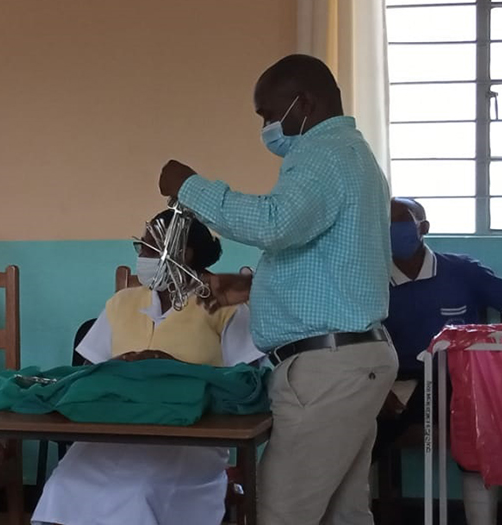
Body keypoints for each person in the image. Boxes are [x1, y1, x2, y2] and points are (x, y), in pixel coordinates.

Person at [158, 54, 397, 525]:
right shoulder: (350, 154)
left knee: (280, 513)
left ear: (303, 103)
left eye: (268, 114)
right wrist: (250, 287)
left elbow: (275, 223)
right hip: (350, 361)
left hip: (328, 370)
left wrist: (190, 188)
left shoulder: (324, 154)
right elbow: (332, 261)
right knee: (340, 515)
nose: (266, 126)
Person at [31, 209, 263, 525]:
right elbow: (90, 372)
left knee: (139, 492)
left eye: (151, 248)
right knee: (64, 485)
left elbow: (246, 383)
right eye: (140, 246)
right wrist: (123, 364)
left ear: (185, 253)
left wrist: (174, 369)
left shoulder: (223, 306)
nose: (142, 255)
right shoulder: (122, 302)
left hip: (190, 437)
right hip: (114, 432)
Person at [379, 197, 502, 525]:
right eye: (384, 222)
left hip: (464, 384)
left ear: (424, 228)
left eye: (402, 221)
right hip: (397, 385)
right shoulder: (371, 279)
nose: (393, 230)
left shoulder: (462, 271)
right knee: (354, 434)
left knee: (480, 433)